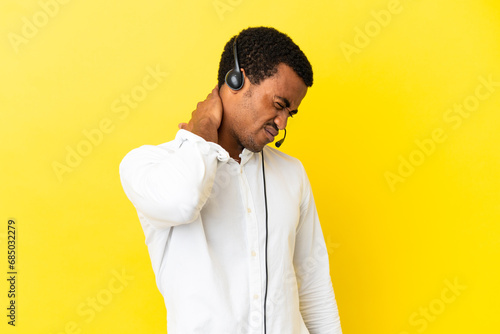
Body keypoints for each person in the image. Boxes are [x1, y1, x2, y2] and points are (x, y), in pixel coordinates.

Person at [119, 26, 342, 334]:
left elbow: (314, 284)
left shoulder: (293, 174)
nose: (282, 123)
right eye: (278, 105)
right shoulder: (148, 164)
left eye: (290, 113)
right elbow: (181, 204)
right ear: (236, 80)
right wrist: (203, 130)